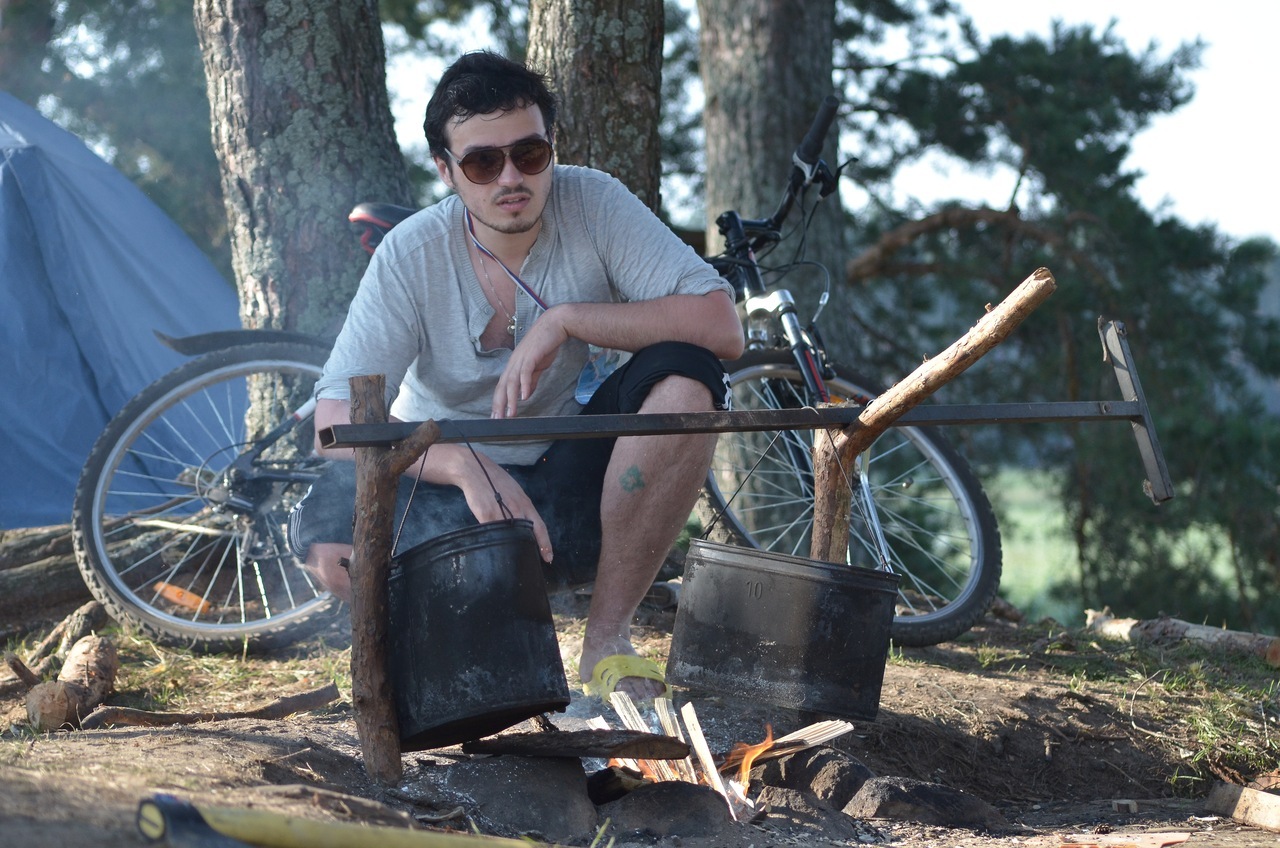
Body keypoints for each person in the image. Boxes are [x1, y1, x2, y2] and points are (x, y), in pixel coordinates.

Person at [288, 51, 744, 700]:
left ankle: (607, 640)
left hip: (570, 485)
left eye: (530, 154)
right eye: (482, 162)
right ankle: (449, 655)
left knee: (686, 376)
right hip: (440, 487)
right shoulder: (411, 251)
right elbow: (333, 422)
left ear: (552, 146)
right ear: (445, 170)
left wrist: (566, 319)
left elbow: (722, 327)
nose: (511, 178)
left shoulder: (593, 202)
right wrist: (461, 462)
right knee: (331, 541)